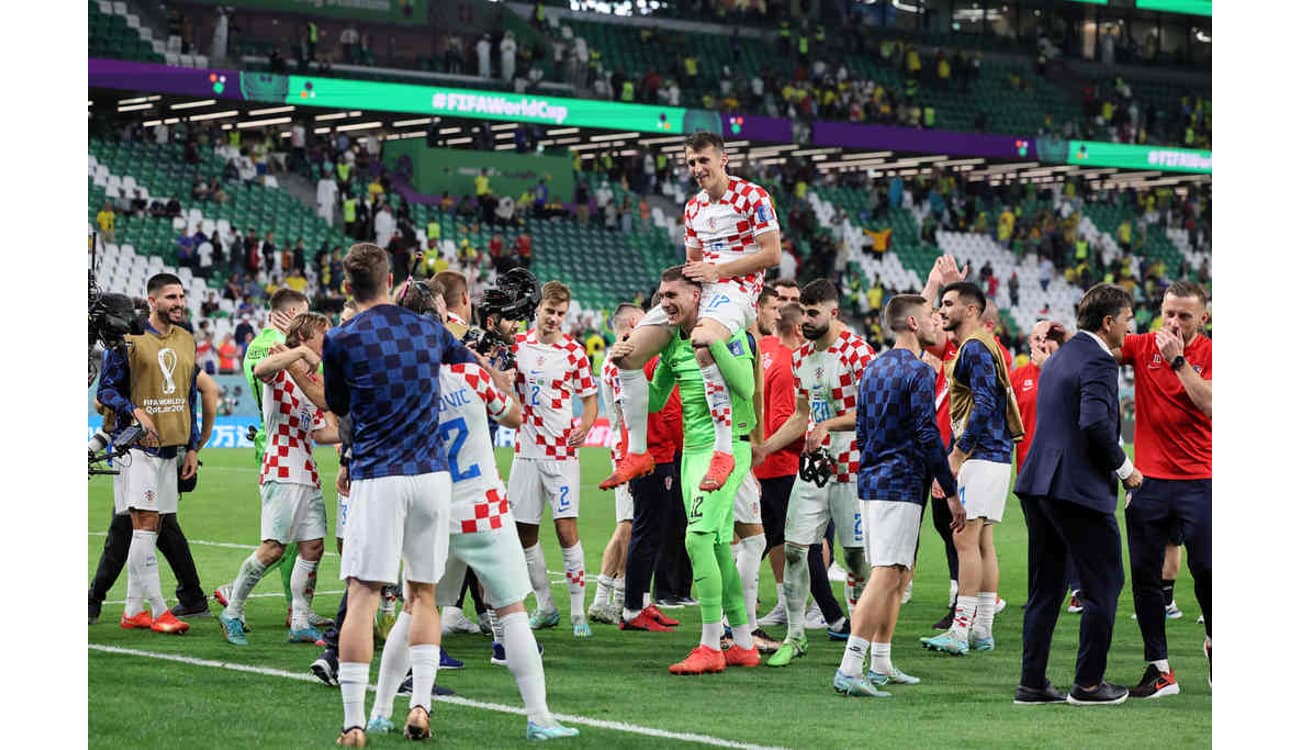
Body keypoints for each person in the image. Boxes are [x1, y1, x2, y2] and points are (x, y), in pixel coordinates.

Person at [365, 282, 578, 742]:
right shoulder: (469, 373)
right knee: (512, 611)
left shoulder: (398, 381)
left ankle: (381, 710)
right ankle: (539, 717)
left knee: (415, 609)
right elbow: (515, 416)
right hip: (482, 506)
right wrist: (488, 370)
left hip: (430, 509)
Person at [323, 243, 477, 745]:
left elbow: (341, 404)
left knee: (364, 595)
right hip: (432, 476)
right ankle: (421, 706)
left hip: (378, 475)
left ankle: (353, 722)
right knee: (424, 595)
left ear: (349, 287)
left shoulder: (341, 338)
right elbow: (461, 349)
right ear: (391, 280)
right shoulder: (428, 329)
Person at [603, 131, 780, 495]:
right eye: (691, 163)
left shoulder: (753, 196)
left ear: (723, 159)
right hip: (702, 290)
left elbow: (771, 254)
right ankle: (637, 452)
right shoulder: (693, 208)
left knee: (703, 342)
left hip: (736, 291)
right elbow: (692, 264)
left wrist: (720, 271)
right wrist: (671, 298)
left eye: (703, 161)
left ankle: (724, 450)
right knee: (627, 355)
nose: (697, 169)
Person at [610, 266, 759, 673]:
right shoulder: (673, 342)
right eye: (661, 297)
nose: (665, 304)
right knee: (713, 546)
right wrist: (641, 361)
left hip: (727, 450)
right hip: (691, 453)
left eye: (672, 295)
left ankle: (711, 645)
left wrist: (715, 347)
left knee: (696, 540)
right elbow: (657, 401)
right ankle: (743, 643)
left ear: (697, 297)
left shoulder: (726, 332)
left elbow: (746, 387)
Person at [1014, 283, 1142, 707]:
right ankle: (1088, 685)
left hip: (1038, 484)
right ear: (1108, 323)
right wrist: (1126, 471)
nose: (1130, 327)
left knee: (1046, 588)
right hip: (1077, 489)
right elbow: (1095, 426)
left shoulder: (1061, 356)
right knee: (1105, 584)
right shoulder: (1100, 363)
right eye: (1126, 319)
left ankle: (1031, 684)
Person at [833, 294, 960, 698]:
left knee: (899, 572)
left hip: (872, 479)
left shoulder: (873, 367)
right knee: (887, 572)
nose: (938, 322)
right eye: (931, 317)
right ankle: (851, 666)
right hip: (900, 482)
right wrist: (950, 489)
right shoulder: (919, 372)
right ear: (913, 325)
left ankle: (882, 661)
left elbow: (865, 429)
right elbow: (927, 432)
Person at [754, 278, 875, 666]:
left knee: (855, 558)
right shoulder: (801, 357)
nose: (804, 319)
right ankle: (795, 636)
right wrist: (766, 448)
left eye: (812, 313)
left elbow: (869, 412)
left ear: (833, 313)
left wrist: (830, 425)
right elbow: (802, 415)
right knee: (794, 550)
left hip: (852, 466)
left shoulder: (859, 353)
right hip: (813, 468)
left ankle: (860, 643)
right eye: (802, 312)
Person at [217, 313, 340, 646]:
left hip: (307, 471)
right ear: (303, 336)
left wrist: (353, 431)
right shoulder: (278, 365)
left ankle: (300, 621)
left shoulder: (308, 382)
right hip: (281, 468)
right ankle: (233, 611)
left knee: (313, 547)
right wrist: (299, 354)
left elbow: (319, 432)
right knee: (273, 549)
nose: (327, 341)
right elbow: (260, 371)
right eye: (322, 335)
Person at [1115, 281, 1212, 697]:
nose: (1173, 322)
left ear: (1203, 319)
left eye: (1184, 315)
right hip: (1149, 481)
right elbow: (1102, 346)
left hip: (1201, 481)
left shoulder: (1211, 353)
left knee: (1208, 570)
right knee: (1145, 576)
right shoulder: (1142, 346)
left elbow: (1210, 404)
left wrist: (1177, 362)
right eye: (1168, 312)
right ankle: (1160, 670)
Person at [96, 273, 201, 635]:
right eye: (171, 297)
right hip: (135, 448)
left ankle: (132, 610)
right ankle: (159, 611)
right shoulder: (128, 341)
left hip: (172, 450)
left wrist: (192, 446)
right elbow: (106, 391)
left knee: (152, 528)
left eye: (181, 296)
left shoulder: (188, 340)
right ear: (152, 300)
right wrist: (133, 410)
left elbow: (190, 397)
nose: (179, 303)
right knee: (145, 526)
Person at [922, 281, 1022, 656]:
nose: (942, 310)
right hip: (996, 457)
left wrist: (957, 454)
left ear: (971, 309)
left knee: (964, 540)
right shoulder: (986, 346)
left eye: (948, 304)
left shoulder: (975, 347)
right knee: (982, 543)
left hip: (979, 456)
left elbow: (982, 404)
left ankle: (960, 631)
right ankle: (982, 629)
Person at [508, 281, 599, 637]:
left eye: (561, 314)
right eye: (550, 311)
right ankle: (545, 605)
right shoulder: (517, 347)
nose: (554, 319)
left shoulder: (574, 352)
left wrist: (588, 426)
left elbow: (590, 400)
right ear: (538, 309)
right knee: (524, 533)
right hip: (526, 452)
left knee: (566, 531)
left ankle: (578, 612)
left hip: (562, 453)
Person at [1008, 320, 1076, 607]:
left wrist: (1051, 366)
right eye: (1035, 338)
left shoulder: (1067, 373)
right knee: (1038, 538)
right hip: (1028, 469)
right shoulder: (1018, 376)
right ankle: (1039, 594)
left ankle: (1076, 589)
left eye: (1045, 338)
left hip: (1062, 469)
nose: (1038, 343)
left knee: (1066, 534)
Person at [589, 304, 645, 625]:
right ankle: (601, 597)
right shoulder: (617, 362)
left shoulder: (620, 359)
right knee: (626, 524)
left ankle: (622, 598)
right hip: (627, 450)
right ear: (633, 324)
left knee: (634, 524)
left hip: (630, 448)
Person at [752, 292, 802, 629]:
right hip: (784, 463)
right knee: (802, 538)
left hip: (764, 464)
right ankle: (803, 605)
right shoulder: (788, 364)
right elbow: (789, 420)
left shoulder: (765, 352)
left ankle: (786, 601)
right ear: (799, 327)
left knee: (773, 537)